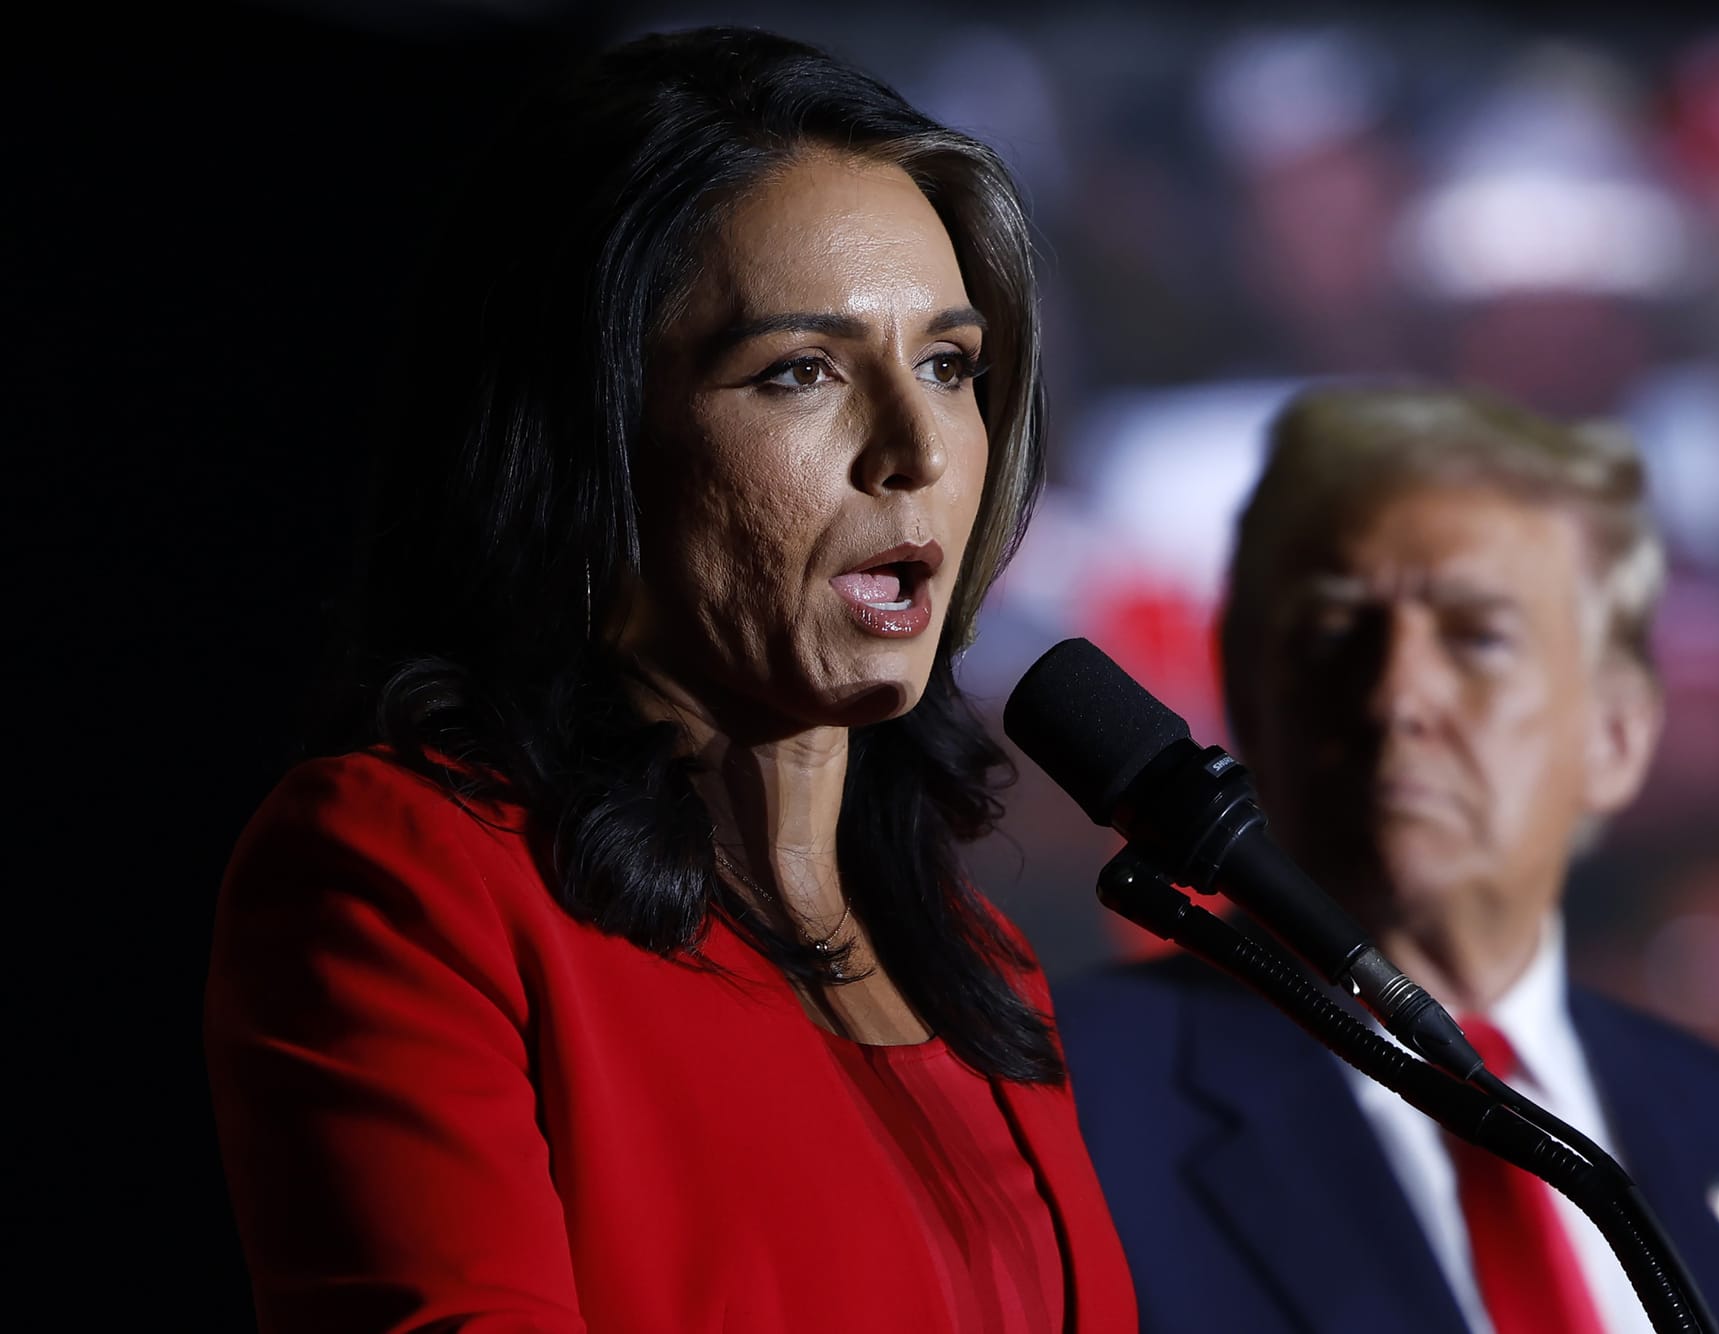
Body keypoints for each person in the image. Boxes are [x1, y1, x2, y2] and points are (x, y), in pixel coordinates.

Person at [204, 27, 1136, 1334]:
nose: (916, 449)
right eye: (802, 371)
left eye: (949, 365)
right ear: (592, 436)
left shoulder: (981, 965)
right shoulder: (411, 877)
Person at [1054, 385, 1719, 1334]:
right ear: (1244, 691)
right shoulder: (1059, 1112)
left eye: (1480, 638)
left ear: (1617, 734)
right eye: (1338, 631)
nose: (1403, 694)